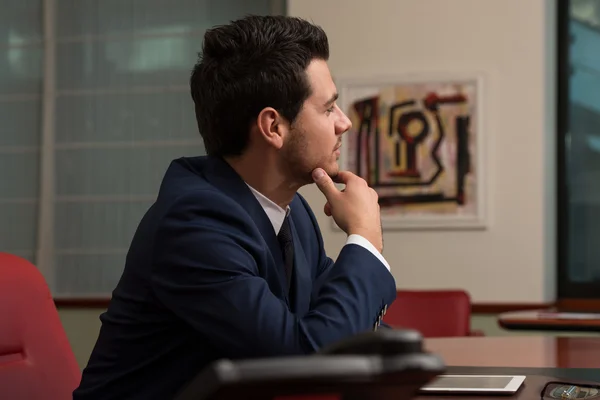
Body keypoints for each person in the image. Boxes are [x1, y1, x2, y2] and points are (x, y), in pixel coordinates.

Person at [73, 15, 396, 400]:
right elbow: (307, 360)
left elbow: (337, 322)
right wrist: (364, 239)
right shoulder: (194, 225)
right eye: (328, 109)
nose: (344, 123)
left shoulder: (294, 214)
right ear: (273, 127)